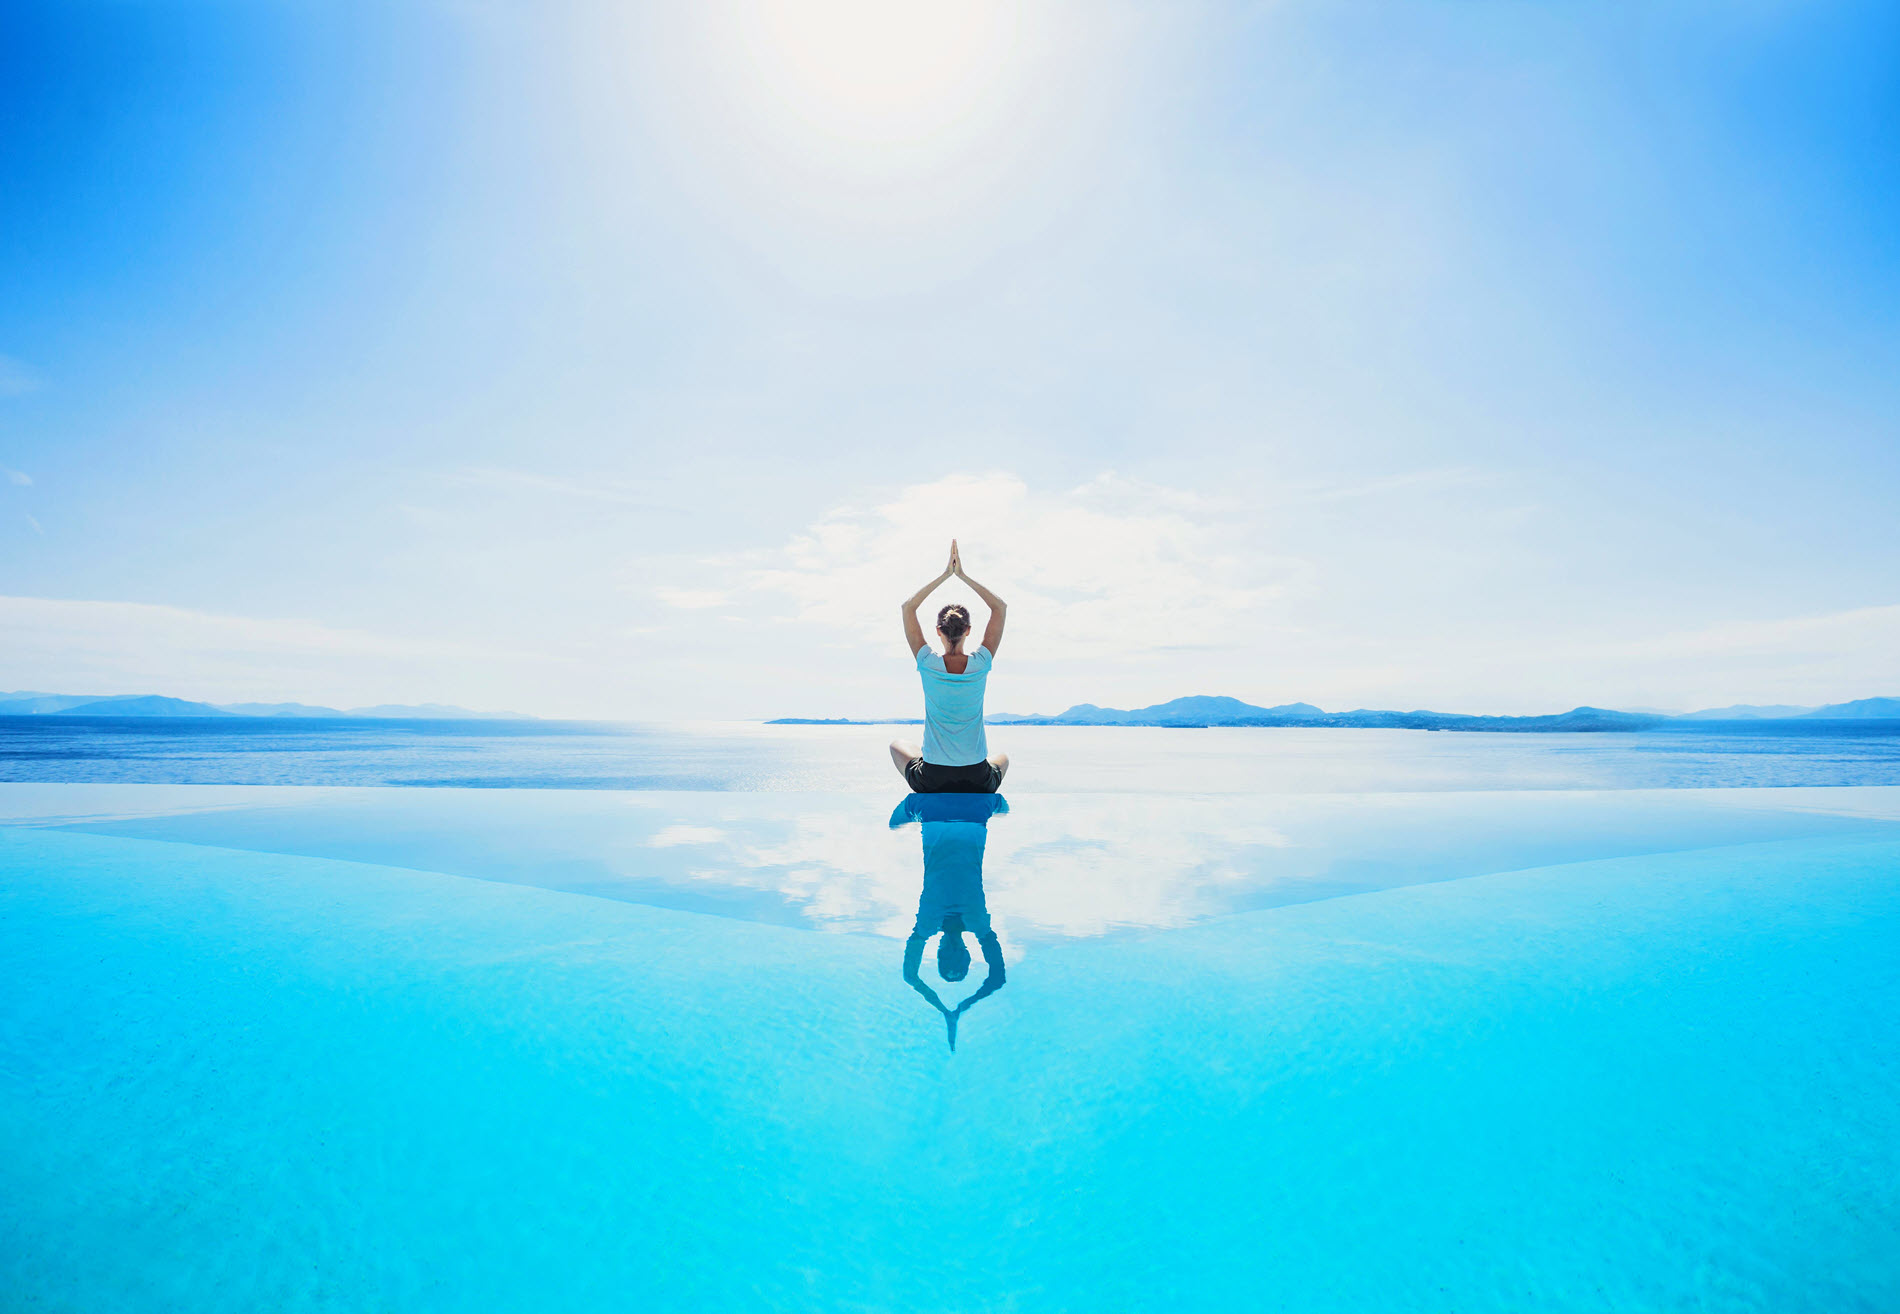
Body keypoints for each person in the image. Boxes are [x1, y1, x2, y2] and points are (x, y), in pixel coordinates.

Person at [890, 792, 1010, 1050]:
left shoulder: (978, 924)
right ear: (940, 952)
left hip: (977, 808)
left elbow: (998, 978)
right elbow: (910, 977)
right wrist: (945, 1009)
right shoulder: (927, 923)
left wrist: (961, 1007)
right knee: (894, 823)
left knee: (1003, 805)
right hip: (930, 808)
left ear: (969, 953)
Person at [891, 540, 1009, 793]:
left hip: (933, 778)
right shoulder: (981, 664)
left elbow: (908, 607)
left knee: (897, 744)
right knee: (1003, 758)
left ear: (938, 631)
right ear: (968, 630)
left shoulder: (927, 663)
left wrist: (945, 575)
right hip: (977, 778)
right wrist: (963, 576)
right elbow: (999, 607)